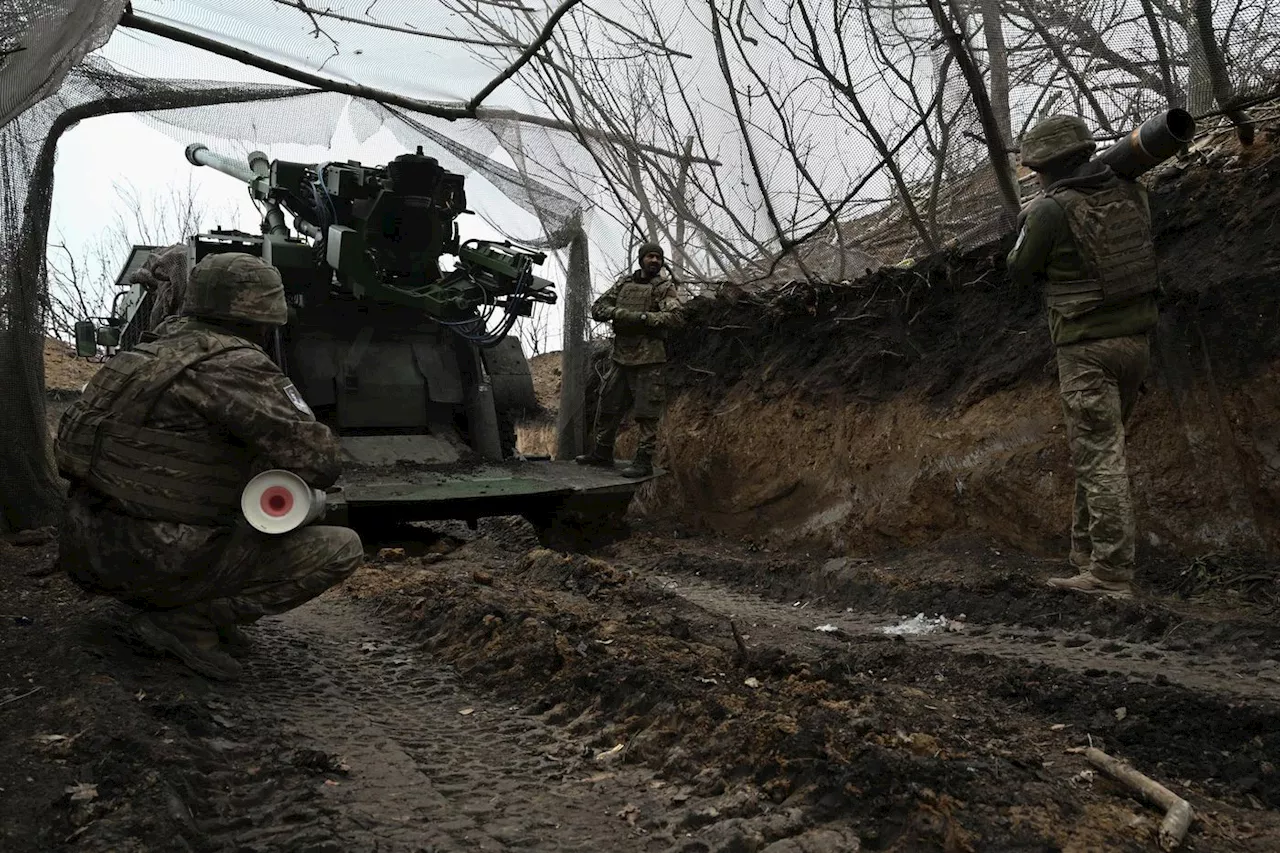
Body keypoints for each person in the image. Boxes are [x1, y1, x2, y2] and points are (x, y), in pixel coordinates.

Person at [55, 252, 364, 680]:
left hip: (85, 547)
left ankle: (180, 605)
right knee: (341, 546)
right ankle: (187, 620)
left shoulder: (135, 358)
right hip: (157, 557)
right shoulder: (235, 365)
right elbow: (320, 462)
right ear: (264, 317)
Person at [1007, 115, 1160, 600]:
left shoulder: (1050, 210)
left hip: (1085, 349)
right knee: (1097, 452)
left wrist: (1026, 224)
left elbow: (1019, 270)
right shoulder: (1133, 194)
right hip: (1135, 344)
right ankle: (1085, 556)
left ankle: (1111, 574)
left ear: (1046, 168)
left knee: (1099, 458)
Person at [575, 242, 686, 479]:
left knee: (647, 414)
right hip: (620, 357)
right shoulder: (624, 284)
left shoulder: (664, 288)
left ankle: (643, 461)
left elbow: (676, 318)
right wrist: (617, 313)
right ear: (641, 259)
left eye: (658, 257)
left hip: (648, 358)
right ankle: (602, 453)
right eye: (650, 257)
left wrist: (643, 318)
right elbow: (597, 308)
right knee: (608, 406)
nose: (655, 261)